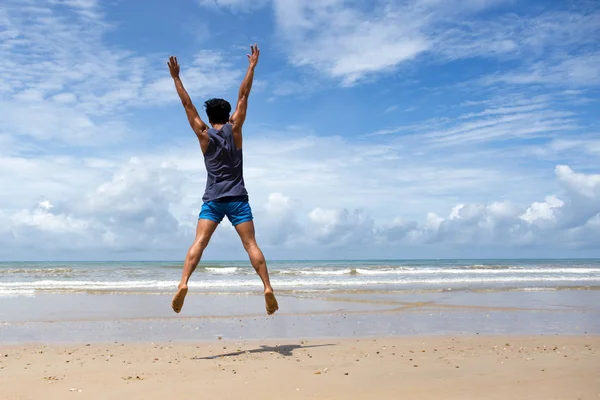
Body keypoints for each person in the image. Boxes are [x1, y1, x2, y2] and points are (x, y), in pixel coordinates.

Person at [167, 44, 278, 316]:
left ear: (208, 117)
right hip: (238, 198)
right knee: (250, 244)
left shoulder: (203, 135)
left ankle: (183, 283)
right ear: (228, 115)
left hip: (213, 199)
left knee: (199, 243)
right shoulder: (235, 129)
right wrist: (251, 66)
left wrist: (177, 78)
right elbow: (243, 94)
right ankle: (266, 287)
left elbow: (187, 105)